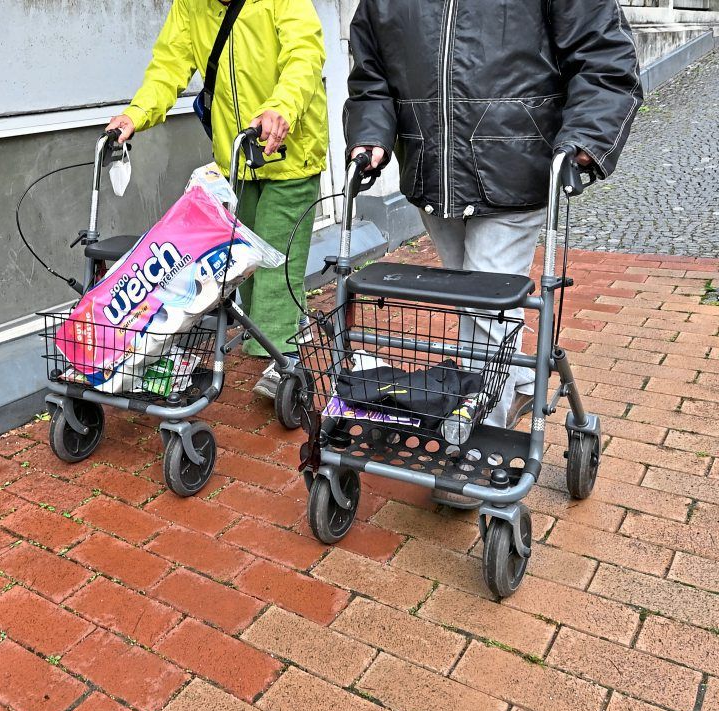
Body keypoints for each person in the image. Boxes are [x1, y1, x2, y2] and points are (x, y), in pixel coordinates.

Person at [343, 0, 642, 508]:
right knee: (475, 302)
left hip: (518, 166)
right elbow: (371, 73)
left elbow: (604, 57)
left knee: (484, 311)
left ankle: (477, 447)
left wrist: (588, 136)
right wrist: (371, 135)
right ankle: (521, 375)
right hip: (433, 174)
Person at [107, 0, 329, 399]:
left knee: (278, 256)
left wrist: (282, 107)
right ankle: (276, 333)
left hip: (291, 153)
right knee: (242, 261)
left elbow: (304, 55)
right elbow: (168, 66)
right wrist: (135, 114)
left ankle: (283, 359)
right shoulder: (191, 6)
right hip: (239, 159)